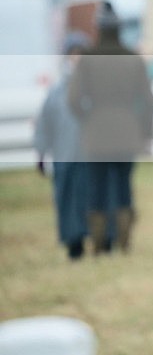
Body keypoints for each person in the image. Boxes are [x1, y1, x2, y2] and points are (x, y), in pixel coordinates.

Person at [68, 1, 153, 254]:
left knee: (96, 188)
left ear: (98, 28)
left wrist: (88, 119)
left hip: (96, 133)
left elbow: (73, 99)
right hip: (127, 131)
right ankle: (124, 243)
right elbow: (148, 100)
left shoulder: (87, 59)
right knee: (123, 187)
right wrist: (145, 131)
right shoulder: (132, 58)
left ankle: (98, 245)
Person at [33, 32, 93, 260]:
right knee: (67, 199)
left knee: (92, 197)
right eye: (73, 54)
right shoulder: (56, 93)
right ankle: (73, 243)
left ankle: (98, 238)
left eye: (81, 54)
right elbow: (44, 124)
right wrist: (40, 153)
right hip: (65, 157)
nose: (77, 59)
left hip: (90, 156)